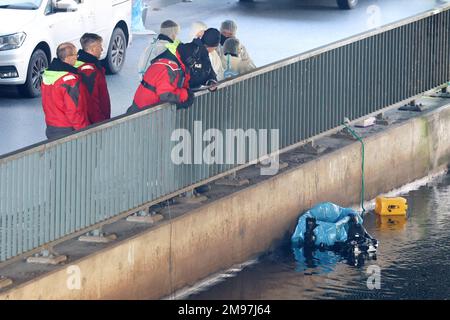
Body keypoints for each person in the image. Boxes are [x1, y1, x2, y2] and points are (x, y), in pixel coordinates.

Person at [128, 42, 200, 113]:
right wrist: (185, 95)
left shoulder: (166, 60)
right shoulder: (170, 69)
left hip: (139, 106)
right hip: (146, 112)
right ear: (189, 59)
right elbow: (166, 94)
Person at [41, 43, 90, 139]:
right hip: (68, 129)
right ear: (68, 58)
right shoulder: (69, 81)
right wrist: (84, 131)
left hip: (51, 127)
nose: (77, 57)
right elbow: (74, 110)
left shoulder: (48, 75)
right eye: (75, 55)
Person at [75, 33, 111, 124]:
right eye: (100, 46)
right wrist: (100, 122)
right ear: (93, 49)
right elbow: (91, 102)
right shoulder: (89, 71)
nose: (102, 49)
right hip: (95, 123)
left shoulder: (81, 64)